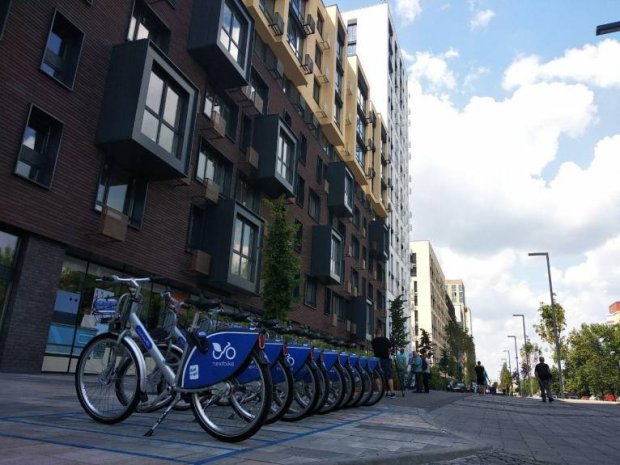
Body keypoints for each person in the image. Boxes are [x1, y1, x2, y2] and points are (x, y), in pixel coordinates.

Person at [371, 328, 395, 398]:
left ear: (375, 333)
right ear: (381, 333)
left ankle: (381, 392)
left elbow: (373, 349)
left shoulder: (373, 341)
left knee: (377, 376)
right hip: (385, 359)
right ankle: (392, 393)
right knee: (389, 376)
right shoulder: (385, 339)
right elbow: (390, 348)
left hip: (376, 359)